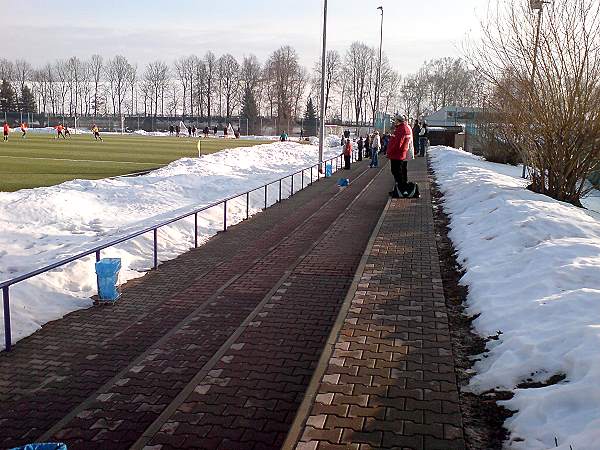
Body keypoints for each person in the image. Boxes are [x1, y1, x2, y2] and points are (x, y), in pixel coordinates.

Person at [387, 116, 412, 194]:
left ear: (398, 121)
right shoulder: (403, 128)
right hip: (399, 153)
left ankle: (401, 189)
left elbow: (398, 143)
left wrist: (390, 151)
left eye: (395, 120)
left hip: (397, 154)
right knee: (399, 171)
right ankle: (399, 189)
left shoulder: (401, 129)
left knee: (396, 171)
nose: (394, 122)